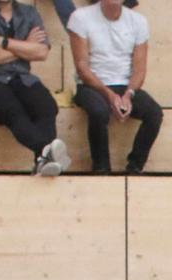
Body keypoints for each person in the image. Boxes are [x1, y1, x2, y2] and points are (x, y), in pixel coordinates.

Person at [0, 0, 70, 176]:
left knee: (46, 105)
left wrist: (3, 43)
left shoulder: (29, 13)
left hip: (21, 78)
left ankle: (42, 164)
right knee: (10, 107)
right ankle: (46, 152)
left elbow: (41, 52)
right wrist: (25, 45)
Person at [67, 0, 161, 174]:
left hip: (125, 85)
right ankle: (101, 167)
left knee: (154, 113)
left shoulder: (138, 21)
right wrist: (109, 95)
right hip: (91, 84)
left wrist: (129, 95)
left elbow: (140, 69)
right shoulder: (80, 17)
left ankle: (135, 166)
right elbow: (82, 68)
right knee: (98, 110)